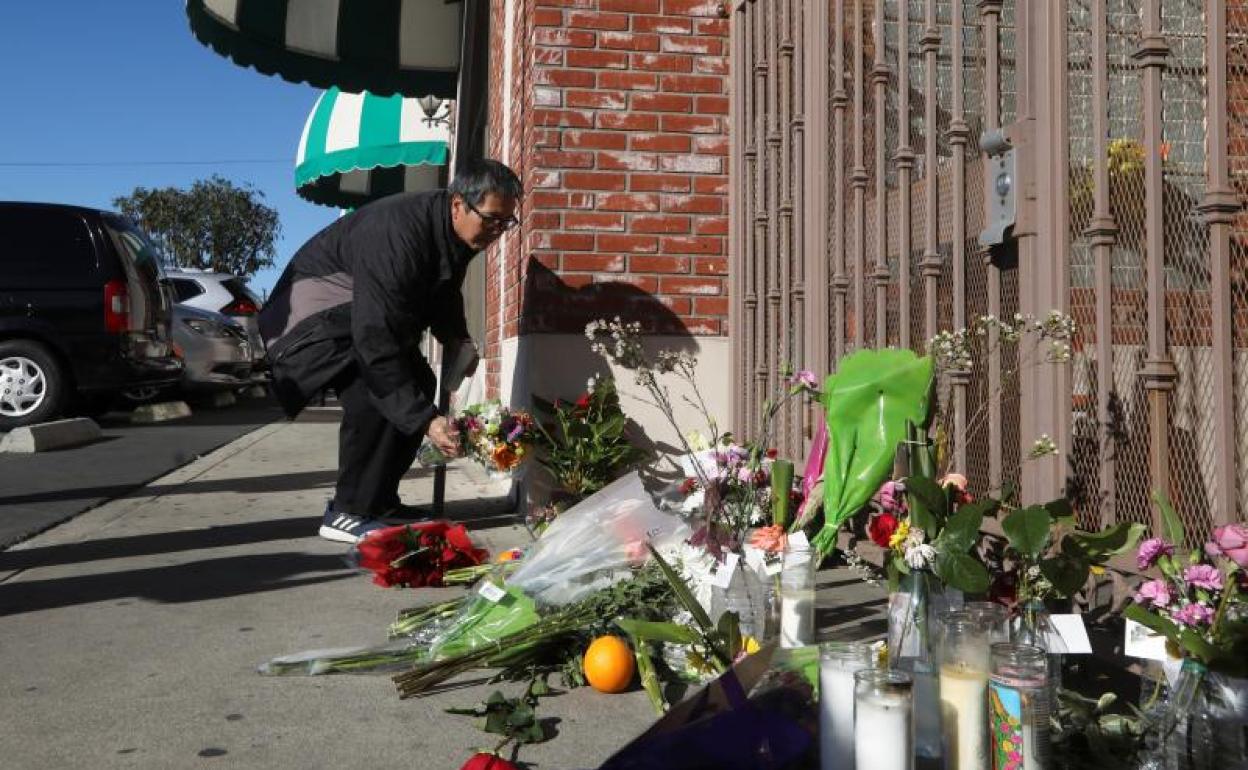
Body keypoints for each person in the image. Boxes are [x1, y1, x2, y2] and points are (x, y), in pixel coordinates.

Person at [258, 159, 522, 543]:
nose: (497, 232)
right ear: (458, 204)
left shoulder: (455, 233)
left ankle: (377, 502)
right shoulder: (398, 233)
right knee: (376, 394)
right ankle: (348, 510)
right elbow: (375, 339)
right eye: (492, 219)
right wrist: (427, 421)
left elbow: (443, 291)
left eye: (506, 223)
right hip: (309, 327)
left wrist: (456, 339)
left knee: (417, 381)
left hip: (356, 319)